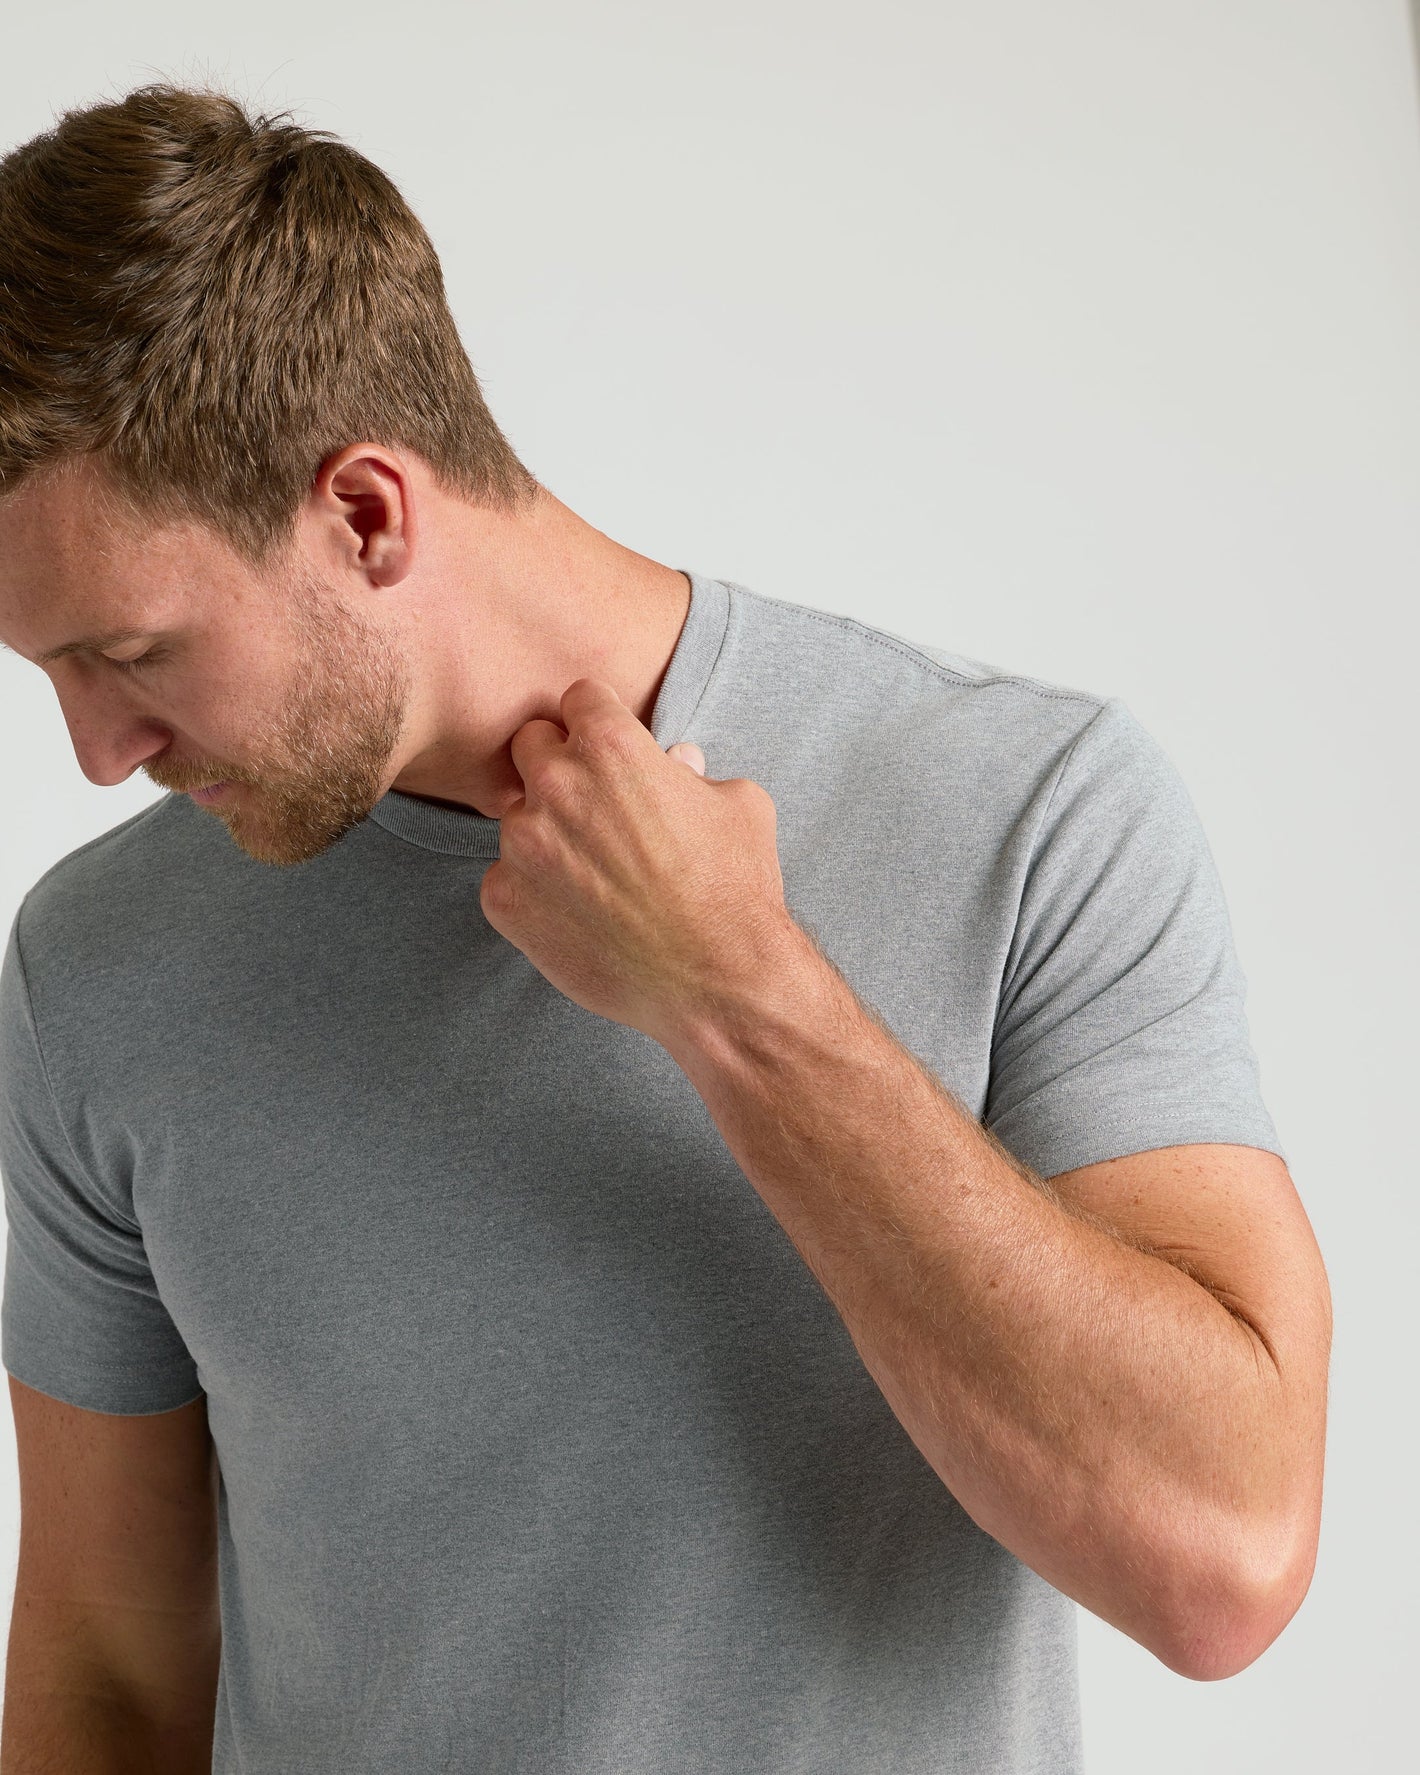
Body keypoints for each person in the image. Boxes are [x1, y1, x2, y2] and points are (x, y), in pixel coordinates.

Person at [0, 83, 1331, 1775]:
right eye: (44, 671)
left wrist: (739, 996)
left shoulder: (1028, 810)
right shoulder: (97, 971)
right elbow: (104, 1675)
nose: (98, 754)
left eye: (129, 654)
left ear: (364, 515)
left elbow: (1220, 1565)